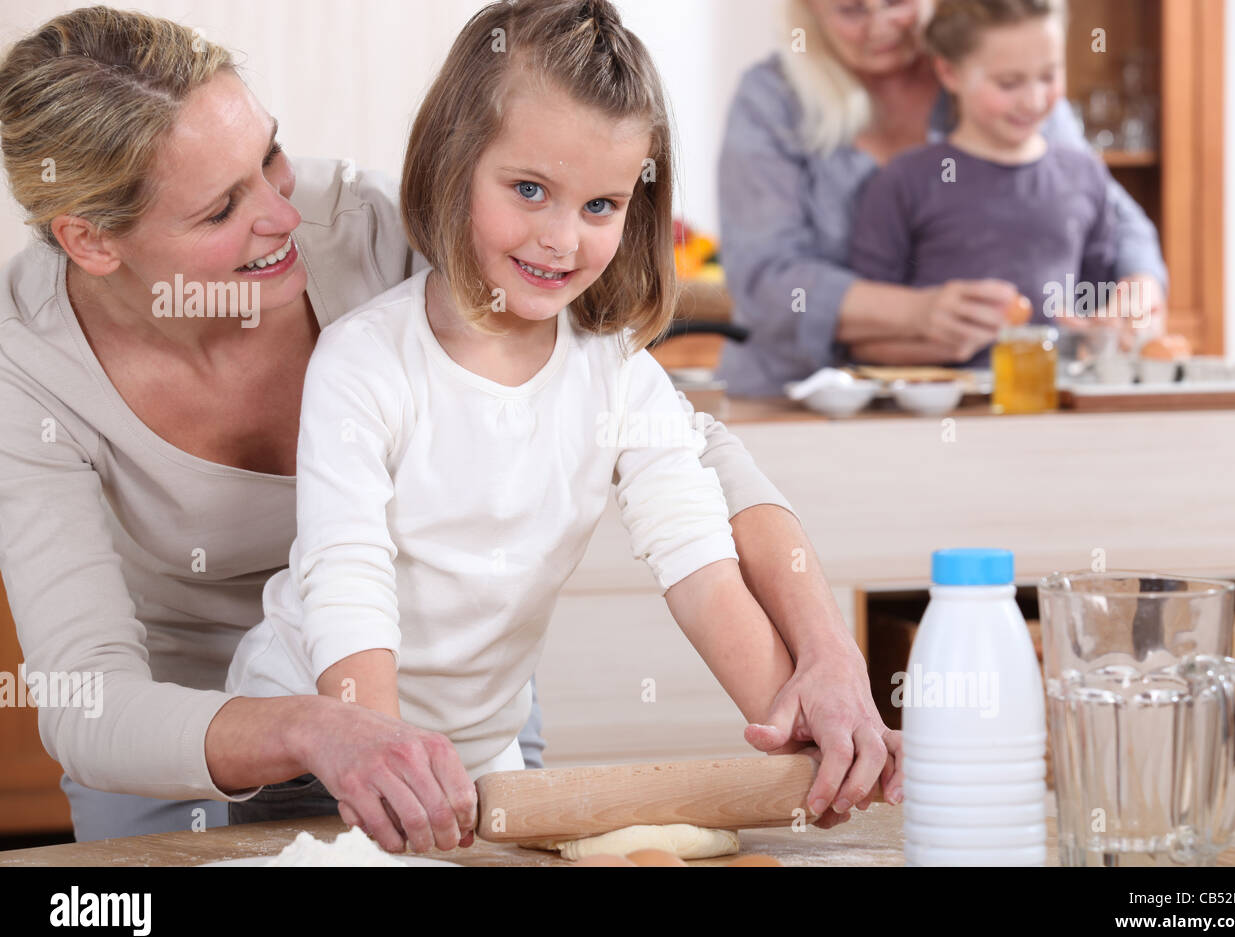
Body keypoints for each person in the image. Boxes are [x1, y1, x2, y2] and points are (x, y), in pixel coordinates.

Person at [0, 3, 897, 843]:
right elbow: (96, 701)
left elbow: (687, 469)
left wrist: (821, 669)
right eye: (221, 208)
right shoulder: (26, 370)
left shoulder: (370, 229)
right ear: (90, 241)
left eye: (269, 158)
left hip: (457, 712)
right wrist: (350, 741)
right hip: (190, 717)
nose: (283, 216)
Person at [717, 0, 1168, 395]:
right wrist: (915, 313)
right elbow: (765, 279)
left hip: (996, 397)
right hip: (795, 394)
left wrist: (1136, 293)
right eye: (852, 9)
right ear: (810, 7)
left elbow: (1113, 216)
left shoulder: (995, 62)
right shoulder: (771, 100)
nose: (881, 26)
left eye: (897, 1)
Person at [850, 0, 1122, 368]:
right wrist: (942, 347)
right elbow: (863, 343)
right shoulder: (905, 181)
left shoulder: (1085, 175)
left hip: (1056, 410)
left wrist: (1106, 329)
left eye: (1049, 76)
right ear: (949, 73)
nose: (1034, 100)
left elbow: (1100, 306)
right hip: (942, 413)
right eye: (1008, 83)